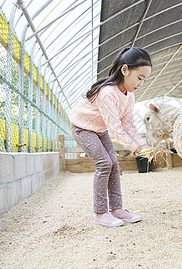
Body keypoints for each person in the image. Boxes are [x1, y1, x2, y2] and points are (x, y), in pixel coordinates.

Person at [69, 47, 153, 228]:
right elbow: (115, 128)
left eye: (145, 80)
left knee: (114, 163)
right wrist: (136, 148)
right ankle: (100, 213)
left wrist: (143, 145)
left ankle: (117, 209)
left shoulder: (129, 96)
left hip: (99, 129)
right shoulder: (107, 93)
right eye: (139, 78)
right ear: (125, 70)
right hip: (83, 128)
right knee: (104, 163)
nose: (141, 83)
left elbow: (128, 124)